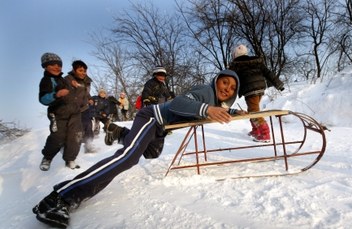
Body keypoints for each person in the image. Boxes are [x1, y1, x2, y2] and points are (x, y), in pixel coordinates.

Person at [32, 69, 244, 228]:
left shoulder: (214, 102)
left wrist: (235, 112)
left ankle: (120, 133)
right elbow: (179, 102)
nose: (227, 88)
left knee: (151, 152)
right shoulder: (206, 92)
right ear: (216, 81)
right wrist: (207, 108)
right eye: (225, 82)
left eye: (233, 88)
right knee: (129, 157)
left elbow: (214, 109)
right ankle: (61, 197)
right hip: (152, 117)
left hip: (160, 128)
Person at [229, 44, 285, 142]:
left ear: (235, 55)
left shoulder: (236, 65)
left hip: (250, 90)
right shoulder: (256, 62)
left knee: (254, 112)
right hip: (260, 88)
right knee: (253, 111)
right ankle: (256, 130)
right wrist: (279, 84)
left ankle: (264, 133)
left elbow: (229, 77)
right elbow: (268, 73)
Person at [38, 53, 82, 171]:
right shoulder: (46, 80)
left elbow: (70, 92)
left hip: (74, 112)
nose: (57, 67)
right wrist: (56, 94)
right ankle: (47, 157)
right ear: (45, 66)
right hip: (58, 113)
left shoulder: (63, 79)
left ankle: (70, 159)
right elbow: (43, 99)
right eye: (52, 64)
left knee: (76, 136)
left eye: (59, 65)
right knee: (58, 136)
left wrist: (73, 86)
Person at [65, 60, 96, 153]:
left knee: (88, 126)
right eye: (80, 70)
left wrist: (90, 99)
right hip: (73, 109)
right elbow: (63, 92)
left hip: (85, 108)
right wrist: (71, 86)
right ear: (74, 70)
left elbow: (86, 93)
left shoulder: (86, 80)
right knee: (75, 129)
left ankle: (88, 145)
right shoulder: (68, 79)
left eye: (85, 71)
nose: (83, 73)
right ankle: (70, 149)